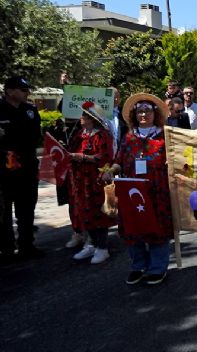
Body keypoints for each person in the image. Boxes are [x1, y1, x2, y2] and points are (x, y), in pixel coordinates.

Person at [101, 94, 173, 285]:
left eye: (147, 111)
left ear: (154, 113)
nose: (143, 114)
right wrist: (109, 171)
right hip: (132, 192)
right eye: (140, 111)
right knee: (133, 228)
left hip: (157, 192)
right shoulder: (129, 137)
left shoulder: (165, 136)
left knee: (157, 228)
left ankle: (157, 267)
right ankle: (138, 266)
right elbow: (118, 162)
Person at [0, 76, 43, 261]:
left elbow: (36, 138)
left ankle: (27, 245)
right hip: (3, 170)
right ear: (10, 91)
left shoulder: (30, 110)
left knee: (26, 208)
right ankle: (7, 249)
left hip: (27, 167)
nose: (27, 93)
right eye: (23, 90)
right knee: (3, 212)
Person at [66, 102, 114, 264]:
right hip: (81, 181)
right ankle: (92, 244)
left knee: (99, 213)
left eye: (85, 116)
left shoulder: (102, 135)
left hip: (97, 180)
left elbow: (106, 157)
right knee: (85, 212)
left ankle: (103, 247)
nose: (81, 119)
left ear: (93, 119)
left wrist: (84, 157)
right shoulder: (80, 134)